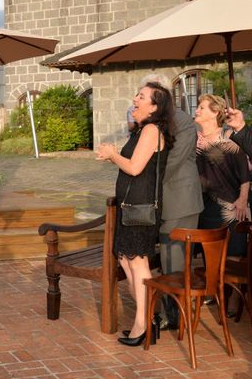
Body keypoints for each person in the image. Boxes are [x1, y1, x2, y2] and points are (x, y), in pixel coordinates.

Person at [96, 82, 174, 346]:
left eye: (142, 97)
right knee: (128, 263)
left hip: (140, 209)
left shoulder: (152, 130)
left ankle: (143, 325)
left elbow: (134, 168)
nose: (135, 99)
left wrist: (112, 154)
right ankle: (148, 317)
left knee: (138, 263)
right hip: (130, 207)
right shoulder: (143, 129)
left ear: (154, 107)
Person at [139, 74, 203, 331]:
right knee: (167, 259)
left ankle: (176, 317)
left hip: (181, 199)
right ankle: (170, 312)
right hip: (161, 200)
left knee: (175, 260)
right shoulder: (152, 121)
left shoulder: (184, 121)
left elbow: (174, 161)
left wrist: (142, 172)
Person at [194, 95, 249, 257]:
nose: (196, 110)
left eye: (201, 107)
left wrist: (243, 199)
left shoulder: (230, 136)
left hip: (230, 206)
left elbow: (244, 171)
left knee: (232, 257)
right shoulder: (195, 139)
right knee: (209, 258)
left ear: (215, 112)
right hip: (203, 205)